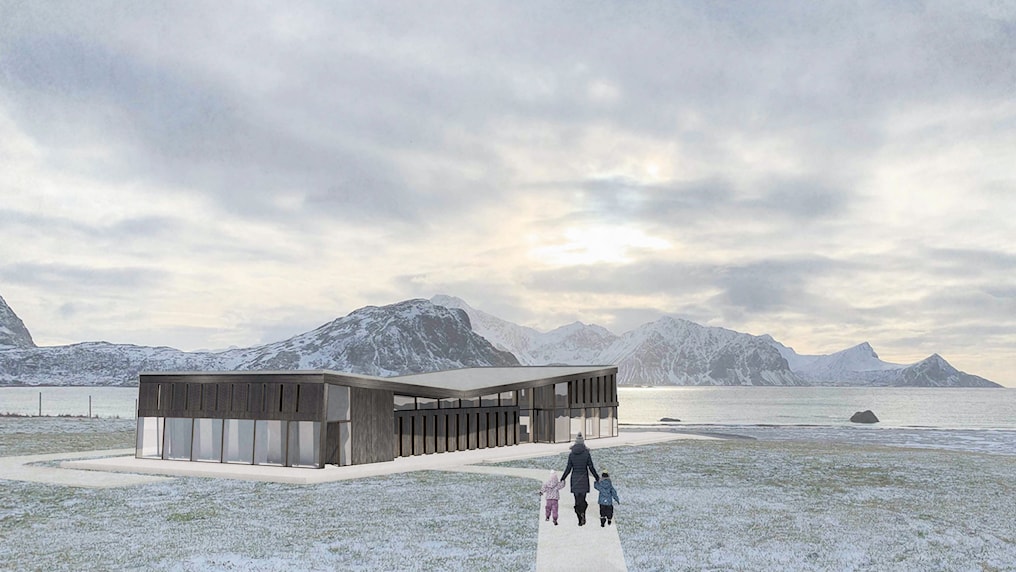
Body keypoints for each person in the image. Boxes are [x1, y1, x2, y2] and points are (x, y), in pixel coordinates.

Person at [560, 432, 599, 526]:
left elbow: (568, 468)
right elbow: (591, 467)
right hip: (584, 479)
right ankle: (583, 514)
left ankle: (579, 519)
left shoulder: (571, 454)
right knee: (583, 500)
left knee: (577, 501)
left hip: (575, 479)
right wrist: (597, 478)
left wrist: (563, 478)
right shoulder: (586, 453)